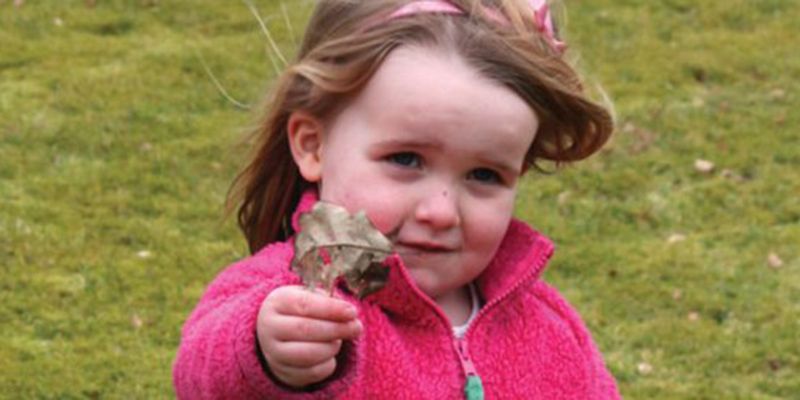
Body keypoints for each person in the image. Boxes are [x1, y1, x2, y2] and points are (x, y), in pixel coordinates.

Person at [173, 0, 620, 398]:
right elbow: (199, 376)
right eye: (406, 159)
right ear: (313, 146)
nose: (441, 212)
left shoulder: (548, 326)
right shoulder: (292, 297)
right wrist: (265, 354)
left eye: (484, 175)